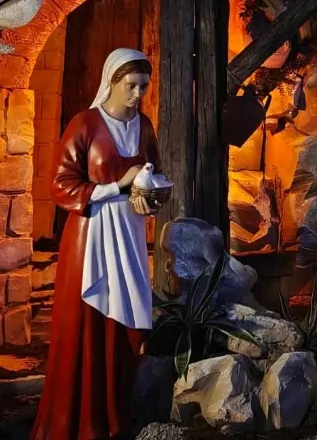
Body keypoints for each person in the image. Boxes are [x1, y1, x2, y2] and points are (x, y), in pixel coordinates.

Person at [31, 49, 161, 440]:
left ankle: (114, 419)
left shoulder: (144, 127)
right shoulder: (86, 123)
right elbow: (60, 185)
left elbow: (153, 177)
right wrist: (116, 186)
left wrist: (150, 198)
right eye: (131, 86)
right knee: (85, 328)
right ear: (112, 81)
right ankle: (76, 423)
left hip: (130, 236)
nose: (137, 94)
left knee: (125, 329)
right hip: (89, 240)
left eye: (143, 87)